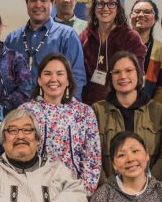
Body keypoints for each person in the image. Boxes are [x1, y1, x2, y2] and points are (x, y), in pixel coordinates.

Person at [21, 54, 102, 190]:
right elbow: (19, 153)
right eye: (47, 74)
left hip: (74, 190)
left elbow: (92, 158)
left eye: (60, 74)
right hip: (33, 189)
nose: (53, 79)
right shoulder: (26, 111)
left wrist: (84, 192)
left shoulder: (84, 112)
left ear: (68, 80)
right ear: (39, 80)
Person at [92, 51, 162, 182]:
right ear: (110, 77)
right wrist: (108, 188)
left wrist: (149, 185)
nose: (123, 76)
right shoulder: (97, 111)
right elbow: (91, 156)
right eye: (116, 72)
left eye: (129, 70)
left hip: (150, 188)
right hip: (108, 189)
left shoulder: (157, 110)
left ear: (138, 74)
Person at [4, 0, 86, 102]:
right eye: (33, 0)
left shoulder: (67, 35)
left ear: (52, 3)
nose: (38, 5)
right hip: (18, 112)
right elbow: (6, 76)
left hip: (56, 111)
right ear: (27, 4)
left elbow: (77, 77)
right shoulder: (12, 38)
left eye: (43, 0)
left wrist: (69, 110)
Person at [80, 0, 146, 106]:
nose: (105, 8)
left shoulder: (130, 37)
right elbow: (78, 72)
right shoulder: (85, 36)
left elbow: (137, 75)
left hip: (120, 104)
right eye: (100, 4)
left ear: (117, 8)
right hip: (88, 104)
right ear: (94, 8)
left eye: (111, 4)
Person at [129, 0, 162, 106]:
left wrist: (152, 111)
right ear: (130, 16)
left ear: (155, 19)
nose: (141, 14)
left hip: (149, 112)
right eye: (136, 11)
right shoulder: (118, 45)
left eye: (147, 12)